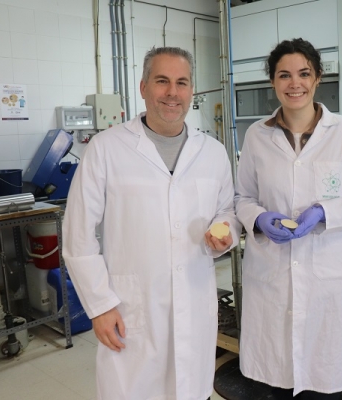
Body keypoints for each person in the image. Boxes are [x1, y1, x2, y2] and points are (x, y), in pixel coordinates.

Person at [62, 46, 241, 400]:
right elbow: (78, 235)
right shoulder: (106, 148)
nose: (172, 92)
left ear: (192, 90)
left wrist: (225, 232)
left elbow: (227, 212)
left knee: (191, 390)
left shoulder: (213, 152)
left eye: (181, 82)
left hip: (194, 299)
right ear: (143, 87)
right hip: (131, 307)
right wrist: (99, 306)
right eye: (162, 81)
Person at [235, 38, 342, 399]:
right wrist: (258, 218)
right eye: (284, 75)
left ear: (317, 79)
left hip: (325, 281)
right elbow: (241, 197)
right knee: (275, 382)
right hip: (271, 275)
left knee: (321, 384)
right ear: (273, 82)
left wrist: (323, 213)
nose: (294, 83)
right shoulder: (257, 135)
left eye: (303, 74)